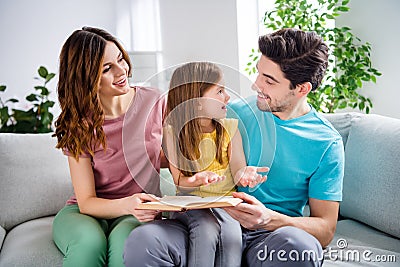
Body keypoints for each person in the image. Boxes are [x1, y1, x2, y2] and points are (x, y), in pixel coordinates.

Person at [123, 28, 344, 267]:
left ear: (302, 89)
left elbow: (325, 228)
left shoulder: (325, 142)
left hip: (266, 235)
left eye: (269, 81)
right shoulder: (229, 113)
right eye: (259, 74)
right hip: (203, 221)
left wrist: (269, 219)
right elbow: (179, 146)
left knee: (300, 249)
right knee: (144, 240)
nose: (255, 86)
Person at [52, 26, 165, 267]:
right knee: (88, 246)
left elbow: (167, 156)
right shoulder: (79, 124)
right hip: (87, 213)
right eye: (107, 69)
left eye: (120, 59)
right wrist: (126, 204)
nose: (121, 71)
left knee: (128, 248)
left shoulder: (154, 101)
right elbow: (86, 202)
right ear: (85, 79)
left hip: (139, 212)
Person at [159, 62, 268, 267]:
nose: (227, 97)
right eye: (219, 91)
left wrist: (245, 175)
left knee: (232, 235)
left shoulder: (230, 129)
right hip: (191, 205)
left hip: (225, 203)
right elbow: (180, 182)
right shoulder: (173, 132)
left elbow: (238, 169)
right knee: (206, 228)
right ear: (197, 101)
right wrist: (196, 179)